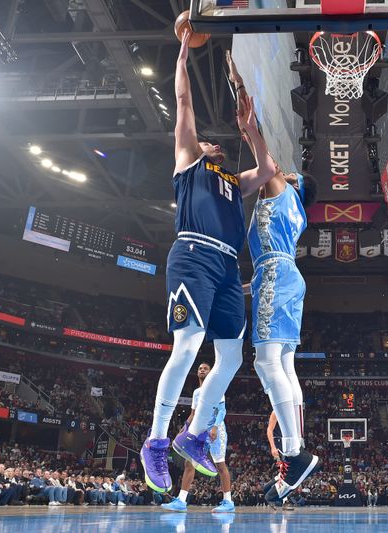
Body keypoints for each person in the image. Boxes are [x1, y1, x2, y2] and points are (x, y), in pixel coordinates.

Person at [141, 28, 277, 494]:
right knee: (187, 344)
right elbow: (182, 101)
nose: (212, 143)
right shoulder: (188, 163)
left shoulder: (233, 181)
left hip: (225, 267)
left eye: (217, 143)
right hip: (194, 254)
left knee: (233, 355)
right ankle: (156, 442)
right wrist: (181, 50)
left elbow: (269, 170)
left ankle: (193, 434)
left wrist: (251, 131)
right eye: (208, 141)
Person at [224, 50, 320, 507]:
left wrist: (246, 106)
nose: (280, 171)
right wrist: (243, 288)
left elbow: (266, 158)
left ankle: (296, 453)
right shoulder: (292, 212)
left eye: (287, 173)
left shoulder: (282, 192)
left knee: (266, 364)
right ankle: (295, 456)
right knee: (283, 366)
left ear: (294, 184)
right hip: (281, 277)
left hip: (278, 276)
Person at [164, 362, 234, 513]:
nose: (202, 370)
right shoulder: (196, 392)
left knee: (220, 465)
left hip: (215, 431)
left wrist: (215, 427)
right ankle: (181, 500)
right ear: (197, 373)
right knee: (189, 464)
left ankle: (228, 502)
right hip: (199, 431)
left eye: (205, 368)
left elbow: (222, 411)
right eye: (200, 369)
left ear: (210, 372)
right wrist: (184, 430)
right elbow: (193, 414)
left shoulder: (216, 388)